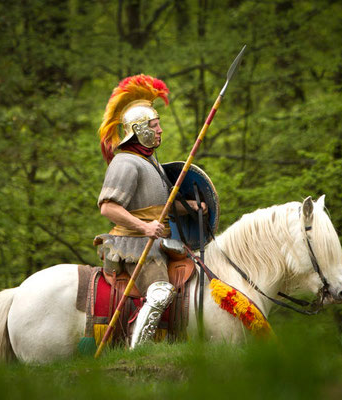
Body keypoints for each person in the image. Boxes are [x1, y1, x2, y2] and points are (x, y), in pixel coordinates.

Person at [96, 74, 205, 348]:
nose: (160, 131)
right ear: (139, 129)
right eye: (154, 126)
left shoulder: (150, 162)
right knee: (161, 293)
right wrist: (144, 228)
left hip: (159, 239)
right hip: (134, 243)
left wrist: (188, 206)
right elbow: (108, 207)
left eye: (159, 125)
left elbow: (161, 207)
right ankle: (139, 350)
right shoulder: (125, 163)